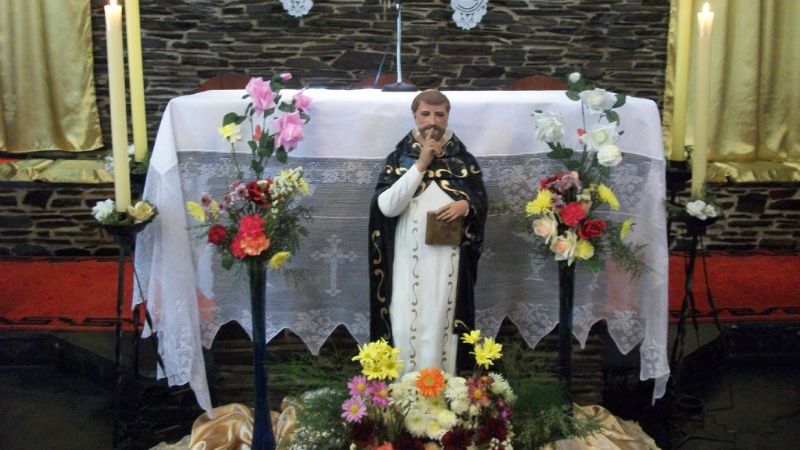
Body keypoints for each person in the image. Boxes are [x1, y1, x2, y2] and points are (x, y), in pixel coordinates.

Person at [369, 90, 487, 373]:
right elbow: (387, 207)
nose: (432, 121)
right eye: (425, 114)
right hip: (406, 258)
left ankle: (445, 386)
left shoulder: (464, 161)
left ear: (447, 116)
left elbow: (480, 200)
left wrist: (466, 205)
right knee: (404, 316)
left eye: (439, 114)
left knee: (441, 316)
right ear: (415, 115)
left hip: (448, 259)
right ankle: (404, 387)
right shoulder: (399, 159)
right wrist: (421, 164)